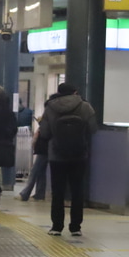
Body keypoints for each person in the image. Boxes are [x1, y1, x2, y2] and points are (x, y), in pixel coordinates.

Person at [39, 82, 97, 236]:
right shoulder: (85, 106)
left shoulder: (50, 107)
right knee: (77, 190)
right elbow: (93, 129)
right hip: (79, 154)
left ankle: (56, 227)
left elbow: (44, 133)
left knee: (58, 191)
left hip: (56, 155)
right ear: (75, 92)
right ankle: (76, 227)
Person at [16, 113, 48, 202]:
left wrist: (41, 123)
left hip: (44, 149)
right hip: (45, 149)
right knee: (41, 172)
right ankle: (39, 194)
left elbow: (45, 131)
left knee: (34, 171)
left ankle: (25, 194)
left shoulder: (49, 118)